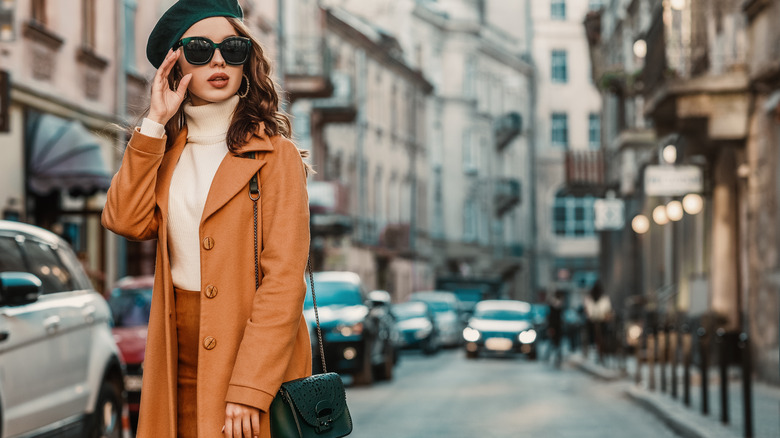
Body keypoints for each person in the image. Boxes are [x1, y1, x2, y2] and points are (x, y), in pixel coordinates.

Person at [102, 1, 313, 437]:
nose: (218, 60)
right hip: (174, 352)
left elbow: (284, 281)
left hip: (251, 356)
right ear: (176, 66)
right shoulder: (165, 150)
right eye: (199, 50)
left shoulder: (276, 156)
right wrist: (155, 123)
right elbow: (125, 220)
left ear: (246, 61)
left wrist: (250, 386)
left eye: (232, 48)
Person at [583, 281, 612, 364]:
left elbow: (607, 310)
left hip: (599, 321)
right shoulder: (592, 298)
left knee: (600, 337)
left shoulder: (602, 298)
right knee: (597, 337)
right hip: (595, 322)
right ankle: (598, 352)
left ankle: (600, 353)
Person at [546, 289, 565, 368]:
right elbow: (551, 317)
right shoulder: (554, 305)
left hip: (557, 327)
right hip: (555, 327)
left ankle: (556, 356)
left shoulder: (557, 305)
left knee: (555, 343)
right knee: (554, 343)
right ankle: (553, 356)